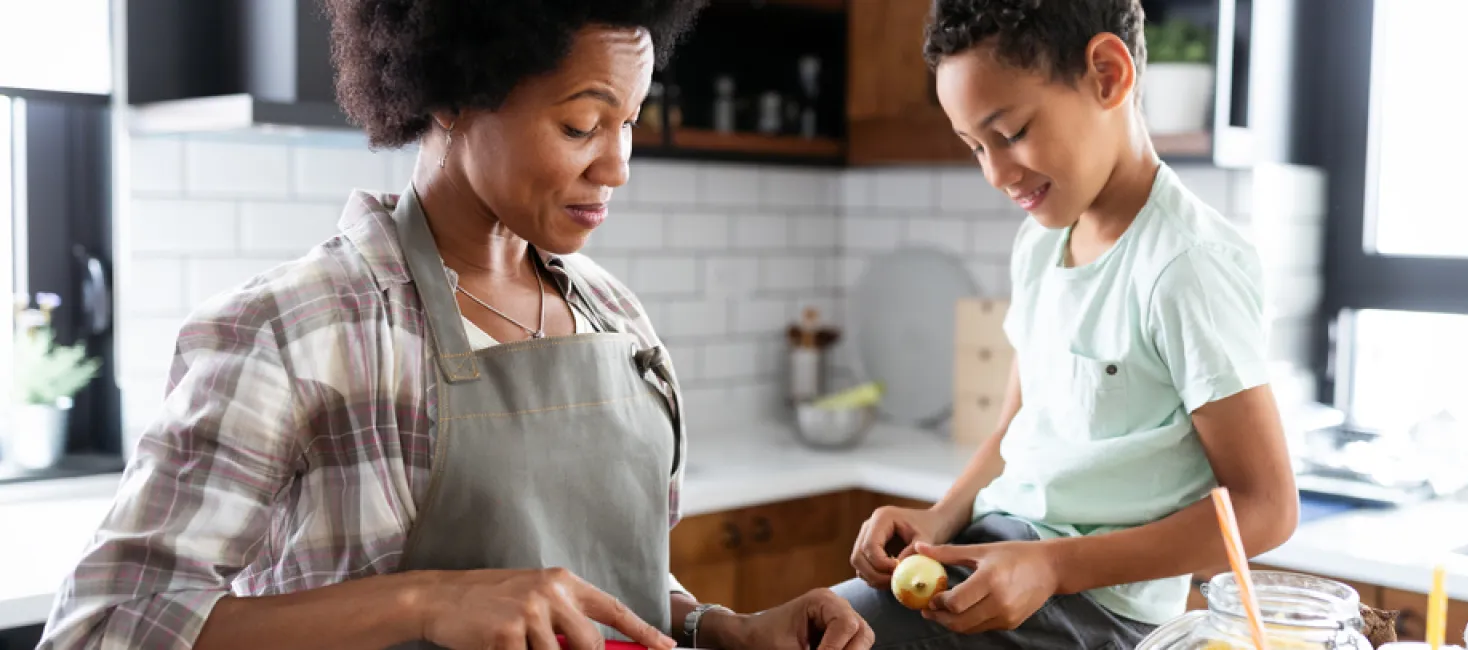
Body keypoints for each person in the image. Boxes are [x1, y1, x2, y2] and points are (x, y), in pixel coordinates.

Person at [38, 2, 874, 649]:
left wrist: (710, 626)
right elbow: (108, 624)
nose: (617, 165)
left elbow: (608, 576)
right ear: (452, 97)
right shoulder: (295, 332)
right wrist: (432, 600)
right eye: (581, 125)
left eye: (627, 123)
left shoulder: (614, 315)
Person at [834, 0, 1301, 648]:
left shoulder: (1186, 265)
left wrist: (1052, 568)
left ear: (1108, 75)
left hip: (1098, 608)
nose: (996, 174)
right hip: (1003, 551)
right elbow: (1014, 429)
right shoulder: (1038, 244)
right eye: (975, 147)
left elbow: (1268, 508)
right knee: (815, 627)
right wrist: (939, 517)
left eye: (1012, 131)